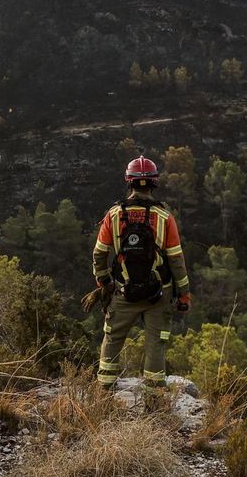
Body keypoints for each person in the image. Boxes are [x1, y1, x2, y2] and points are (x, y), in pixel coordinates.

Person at [82, 155, 191, 388]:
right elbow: (177, 262)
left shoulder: (113, 215)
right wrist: (184, 295)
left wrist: (104, 283)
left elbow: (99, 254)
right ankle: (153, 403)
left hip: (123, 292)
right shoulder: (164, 218)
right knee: (155, 345)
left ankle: (105, 394)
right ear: (154, 182)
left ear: (128, 182)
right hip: (158, 295)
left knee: (111, 340)